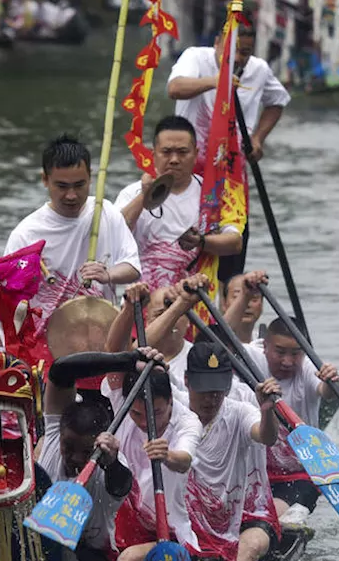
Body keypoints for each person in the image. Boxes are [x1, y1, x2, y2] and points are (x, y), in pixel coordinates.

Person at [166, 20, 291, 283]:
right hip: (191, 170)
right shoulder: (195, 58)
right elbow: (175, 89)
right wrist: (216, 81)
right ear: (216, 44)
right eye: (231, 51)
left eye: (244, 52)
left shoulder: (258, 70)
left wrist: (258, 139)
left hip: (232, 173)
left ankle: (225, 304)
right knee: (184, 246)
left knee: (232, 246)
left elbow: (277, 101)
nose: (238, 59)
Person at [3, 135, 141, 360]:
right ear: (45, 180)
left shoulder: (105, 213)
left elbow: (133, 267)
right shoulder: (26, 234)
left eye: (79, 185)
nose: (71, 195)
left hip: (102, 343)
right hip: (46, 349)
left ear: (90, 178)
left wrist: (108, 275)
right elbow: (9, 301)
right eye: (62, 186)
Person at [223, 271, 339, 528]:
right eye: (279, 352)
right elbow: (220, 339)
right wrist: (245, 293)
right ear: (265, 346)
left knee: (271, 518)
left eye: (295, 354)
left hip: (298, 473)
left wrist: (333, 383)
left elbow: (326, 392)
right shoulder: (252, 356)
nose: (288, 361)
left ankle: (283, 521)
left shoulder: (308, 366)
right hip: (256, 471)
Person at [39, 348, 163, 561]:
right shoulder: (54, 428)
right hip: (44, 550)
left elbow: (120, 483)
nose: (75, 458)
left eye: (86, 452)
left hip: (93, 560)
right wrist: (127, 360)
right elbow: (60, 370)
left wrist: (112, 462)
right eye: (68, 447)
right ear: (59, 434)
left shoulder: (111, 464)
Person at [182, 342, 281, 561]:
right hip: (190, 525)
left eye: (218, 390)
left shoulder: (240, 411)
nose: (211, 399)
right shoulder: (174, 411)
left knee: (247, 553)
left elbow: (266, 436)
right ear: (186, 381)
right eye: (204, 390)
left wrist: (267, 409)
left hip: (243, 518)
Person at [114, 115, 242, 290]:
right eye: (166, 152)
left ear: (196, 154)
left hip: (197, 304)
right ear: (154, 154)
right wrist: (145, 195)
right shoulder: (132, 193)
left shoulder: (212, 195)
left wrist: (201, 241)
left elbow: (235, 243)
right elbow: (113, 236)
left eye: (182, 152)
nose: (174, 159)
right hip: (144, 304)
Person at [110, 366, 201, 561]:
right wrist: (133, 358)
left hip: (172, 536)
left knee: (128, 559)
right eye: (136, 413)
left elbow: (184, 460)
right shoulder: (122, 404)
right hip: (124, 525)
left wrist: (167, 456)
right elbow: (112, 350)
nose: (144, 422)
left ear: (170, 401)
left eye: (156, 412)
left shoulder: (188, 422)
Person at [222, 273, 265, 343]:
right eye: (237, 297)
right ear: (224, 303)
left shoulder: (265, 344)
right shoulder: (209, 340)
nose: (246, 304)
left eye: (253, 298)